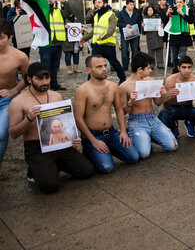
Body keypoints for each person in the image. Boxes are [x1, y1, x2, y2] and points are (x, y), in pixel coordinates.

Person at [8, 62, 94, 192]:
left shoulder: (56, 96)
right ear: (29, 79)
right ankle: (35, 169)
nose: (44, 82)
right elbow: (13, 134)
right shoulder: (18, 102)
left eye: (47, 78)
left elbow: (63, 123)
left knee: (86, 171)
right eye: (39, 78)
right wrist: (29, 118)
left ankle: (52, 165)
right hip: (36, 147)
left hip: (59, 143)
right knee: (50, 186)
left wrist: (72, 138)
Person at [74, 55, 139, 173]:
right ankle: (90, 150)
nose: (104, 69)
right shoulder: (83, 90)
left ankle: (108, 149)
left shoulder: (112, 86)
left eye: (105, 65)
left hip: (111, 132)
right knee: (107, 167)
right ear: (89, 70)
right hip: (94, 135)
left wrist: (123, 132)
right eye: (99, 67)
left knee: (133, 157)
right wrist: (93, 140)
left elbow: (119, 110)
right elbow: (78, 118)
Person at [119, 52, 177, 159]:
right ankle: (136, 134)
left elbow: (158, 102)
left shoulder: (151, 81)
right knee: (144, 153)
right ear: (140, 69)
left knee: (173, 146)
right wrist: (131, 102)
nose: (151, 70)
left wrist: (164, 95)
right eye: (149, 68)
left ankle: (149, 136)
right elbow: (122, 111)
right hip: (137, 120)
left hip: (152, 118)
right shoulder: (124, 86)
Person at [158, 55, 195, 138]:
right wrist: (172, 97)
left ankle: (190, 123)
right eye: (184, 67)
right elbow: (165, 105)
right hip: (174, 107)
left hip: (188, 108)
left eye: (189, 67)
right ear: (178, 67)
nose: (187, 70)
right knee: (162, 116)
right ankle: (173, 126)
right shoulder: (170, 80)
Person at [0, 19, 29, 167]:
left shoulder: (20, 57)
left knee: (1, 134)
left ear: (10, 37)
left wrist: (14, 90)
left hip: (6, 100)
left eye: (1, 38)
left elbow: (28, 78)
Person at [80, 0, 126, 84]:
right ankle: (90, 81)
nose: (97, 4)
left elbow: (111, 29)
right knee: (93, 64)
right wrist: (85, 38)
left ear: (105, 4)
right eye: (96, 2)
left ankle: (122, 78)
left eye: (99, 2)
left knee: (114, 62)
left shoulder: (111, 15)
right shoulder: (96, 15)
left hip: (107, 45)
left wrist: (103, 37)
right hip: (97, 45)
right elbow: (95, 30)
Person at [41, 0, 72, 90]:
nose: (49, 1)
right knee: (46, 66)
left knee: (54, 66)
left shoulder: (58, 12)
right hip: (46, 43)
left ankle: (53, 84)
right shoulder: (41, 12)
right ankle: (45, 85)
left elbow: (70, 13)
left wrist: (64, 1)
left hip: (57, 43)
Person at [166, 0, 195, 73]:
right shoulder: (173, 9)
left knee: (181, 54)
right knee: (174, 55)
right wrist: (167, 13)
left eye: (180, 2)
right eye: (177, 2)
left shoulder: (188, 10)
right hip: (174, 34)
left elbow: (191, 20)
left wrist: (182, 13)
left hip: (184, 34)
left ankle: (181, 69)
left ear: (184, 3)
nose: (178, 4)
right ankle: (176, 70)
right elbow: (166, 21)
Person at [117, 0, 143, 71]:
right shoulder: (120, 13)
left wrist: (140, 29)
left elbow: (139, 23)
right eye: (130, 5)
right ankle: (125, 66)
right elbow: (118, 23)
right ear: (126, 5)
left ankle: (134, 66)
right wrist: (125, 25)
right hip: (125, 35)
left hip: (134, 35)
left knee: (135, 51)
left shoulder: (136, 13)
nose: (132, 6)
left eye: (133, 5)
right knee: (124, 50)